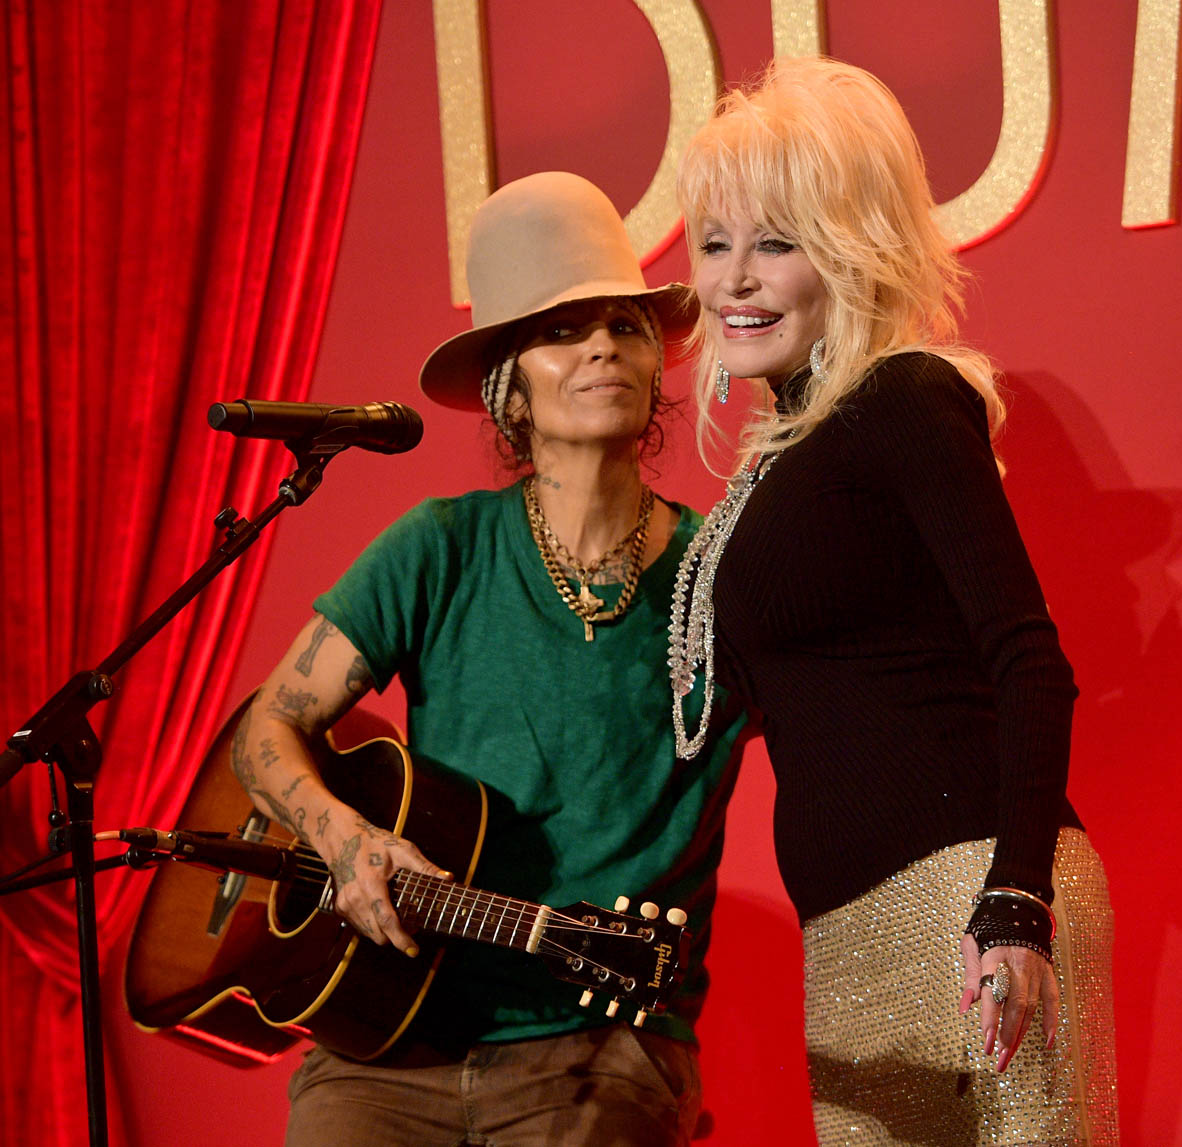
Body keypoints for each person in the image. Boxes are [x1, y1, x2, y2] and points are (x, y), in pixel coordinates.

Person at [234, 171, 744, 1146]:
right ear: (509, 389)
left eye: (625, 325)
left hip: (601, 1041)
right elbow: (266, 729)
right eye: (562, 330)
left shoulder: (721, 573)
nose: (602, 345)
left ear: (654, 365)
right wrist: (344, 838)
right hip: (390, 1034)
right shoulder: (440, 546)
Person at [668, 58, 1118, 1144]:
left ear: (850, 249)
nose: (735, 281)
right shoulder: (771, 471)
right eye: (716, 245)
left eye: (775, 243)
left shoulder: (906, 398)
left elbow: (1029, 657)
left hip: (968, 897)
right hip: (846, 937)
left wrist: (1015, 902)